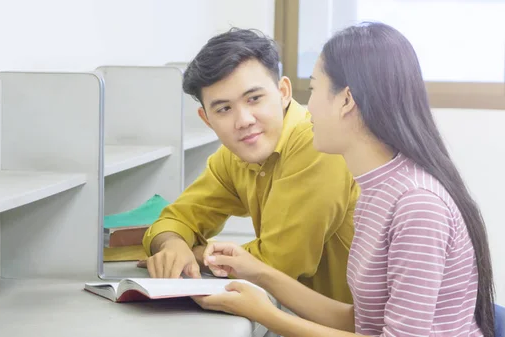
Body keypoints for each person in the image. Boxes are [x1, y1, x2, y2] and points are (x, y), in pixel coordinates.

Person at [192, 22, 496, 337]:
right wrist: (259, 273)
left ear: (346, 100)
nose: (306, 109)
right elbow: (364, 321)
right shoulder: (378, 190)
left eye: (312, 91)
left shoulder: (417, 204)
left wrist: (266, 314)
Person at [140, 27, 360, 304]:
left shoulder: (317, 145)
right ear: (207, 119)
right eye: (223, 109)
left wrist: (195, 253)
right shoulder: (233, 156)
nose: (243, 120)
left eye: (254, 99)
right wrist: (172, 245)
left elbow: (277, 264)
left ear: (283, 92)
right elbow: (176, 218)